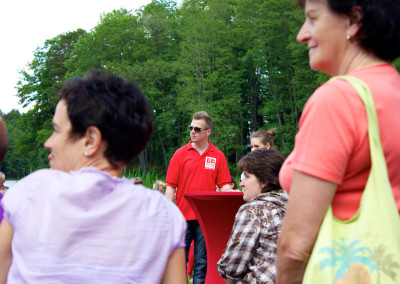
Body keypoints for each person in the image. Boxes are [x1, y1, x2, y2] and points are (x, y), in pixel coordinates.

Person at [0, 71, 187, 284]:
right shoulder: (164, 215)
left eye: (56, 130)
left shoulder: (32, 192)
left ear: (90, 141)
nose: (48, 142)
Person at [277, 0, 400, 283]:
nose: (301, 34)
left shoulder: (338, 99)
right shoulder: (393, 91)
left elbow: (295, 246)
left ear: (354, 20)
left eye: (312, 18)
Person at [165, 111, 232, 284]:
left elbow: (224, 186)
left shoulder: (218, 156)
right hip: (182, 217)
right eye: (190, 128)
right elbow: (171, 187)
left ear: (208, 132)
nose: (192, 131)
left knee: (202, 263)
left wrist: (234, 202)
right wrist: (167, 214)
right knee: (179, 262)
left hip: (206, 219)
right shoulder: (180, 154)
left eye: (197, 129)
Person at [217, 149, 288, 283]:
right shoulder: (292, 207)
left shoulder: (253, 210)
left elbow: (232, 266)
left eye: (247, 176)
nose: (242, 183)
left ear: (265, 180)